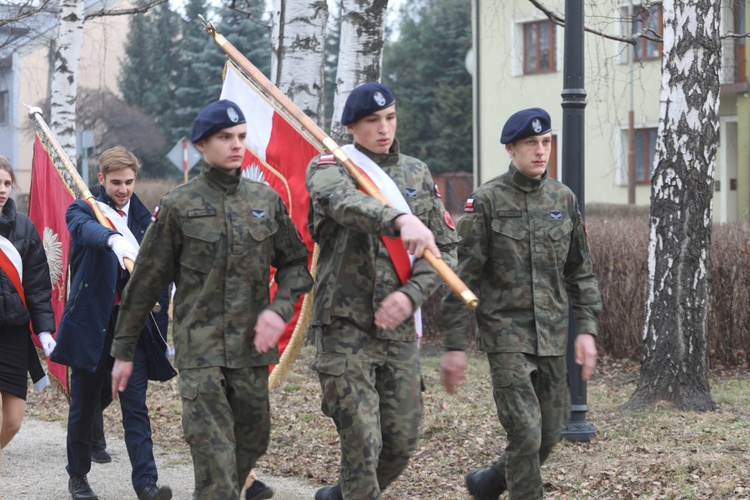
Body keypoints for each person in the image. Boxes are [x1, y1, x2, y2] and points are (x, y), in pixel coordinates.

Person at [110, 99, 314, 500]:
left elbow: (296, 265)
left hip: (251, 352)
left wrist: (279, 309)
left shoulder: (265, 200)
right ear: (201, 145)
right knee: (215, 461)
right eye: (225, 137)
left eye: (240, 137)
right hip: (200, 351)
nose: (237, 145)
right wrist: (123, 348)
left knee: (252, 442)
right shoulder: (178, 206)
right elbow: (145, 282)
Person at [440, 107, 603, 500]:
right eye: (531, 143)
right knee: (526, 433)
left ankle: (489, 482)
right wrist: (455, 345)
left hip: (551, 334)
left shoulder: (563, 199)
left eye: (546, 142)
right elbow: (465, 277)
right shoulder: (487, 200)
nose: (540, 150)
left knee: (550, 433)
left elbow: (580, 272)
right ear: (511, 148)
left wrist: (587, 331)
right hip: (505, 334)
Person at [306, 82, 458, 500]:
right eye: (373, 121)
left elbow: (444, 251)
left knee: (401, 442)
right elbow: (342, 203)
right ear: (353, 126)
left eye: (389, 117)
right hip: (345, 327)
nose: (384, 128)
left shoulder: (416, 172)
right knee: (362, 442)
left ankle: (339, 496)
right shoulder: (329, 167)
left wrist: (411, 295)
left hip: (399, 331)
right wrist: (399, 220)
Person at [50, 146, 173, 500]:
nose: (123, 189)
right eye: (116, 182)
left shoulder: (145, 217)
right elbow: (84, 230)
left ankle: (146, 485)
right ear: (101, 179)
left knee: (135, 405)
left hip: (129, 326)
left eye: (129, 182)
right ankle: (78, 476)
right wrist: (112, 239)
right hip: (92, 326)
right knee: (84, 405)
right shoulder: (84, 209)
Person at [0, 156, 56, 469]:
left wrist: (45, 330)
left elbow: (36, 285)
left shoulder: (24, 227)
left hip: (13, 334)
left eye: (7, 183)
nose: (3, 190)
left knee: (12, 421)